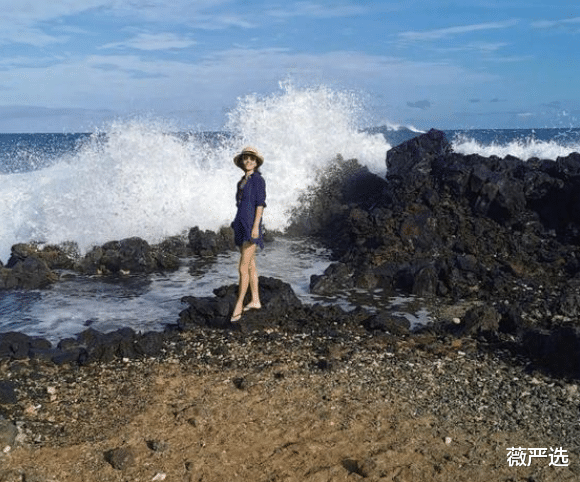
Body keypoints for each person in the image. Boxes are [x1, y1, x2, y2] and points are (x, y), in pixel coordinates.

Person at [230, 146, 267, 322]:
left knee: (242, 268)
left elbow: (260, 204)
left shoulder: (258, 180)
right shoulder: (242, 181)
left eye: (252, 159)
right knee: (251, 265)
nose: (248, 161)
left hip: (251, 226)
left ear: (256, 162)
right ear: (242, 161)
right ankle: (256, 300)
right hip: (241, 224)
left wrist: (256, 227)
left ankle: (238, 306)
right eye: (245, 158)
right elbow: (240, 205)